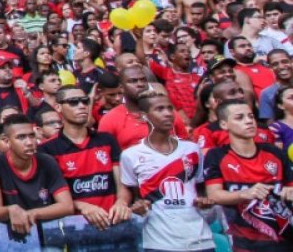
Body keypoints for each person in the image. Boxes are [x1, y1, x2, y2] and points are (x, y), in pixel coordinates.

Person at [118, 92, 214, 252]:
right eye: (160, 109)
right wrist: (139, 207)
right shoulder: (130, 156)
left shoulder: (192, 150)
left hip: (200, 240)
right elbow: (136, 197)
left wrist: (204, 202)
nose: (168, 113)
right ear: (144, 115)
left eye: (170, 108)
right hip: (159, 242)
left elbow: (200, 190)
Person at [202, 101, 293, 252]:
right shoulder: (216, 156)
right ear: (224, 124)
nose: (249, 121)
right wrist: (245, 194)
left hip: (285, 239)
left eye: (251, 116)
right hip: (244, 242)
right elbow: (214, 195)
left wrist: (289, 192)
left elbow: (290, 186)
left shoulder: (274, 152)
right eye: (240, 117)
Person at [38, 85, 131, 229]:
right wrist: (82, 206)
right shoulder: (46, 149)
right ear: (58, 107)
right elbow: (50, 195)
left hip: (114, 223)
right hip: (74, 228)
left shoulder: (107, 140)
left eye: (85, 101)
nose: (82, 106)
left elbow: (122, 182)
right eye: (73, 102)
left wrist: (122, 202)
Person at [0, 114, 75, 236]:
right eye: (21, 137)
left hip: (48, 233)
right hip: (10, 235)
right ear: (7, 141)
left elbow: (67, 206)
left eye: (32, 136)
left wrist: (31, 214)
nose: (30, 142)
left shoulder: (47, 161)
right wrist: (11, 209)